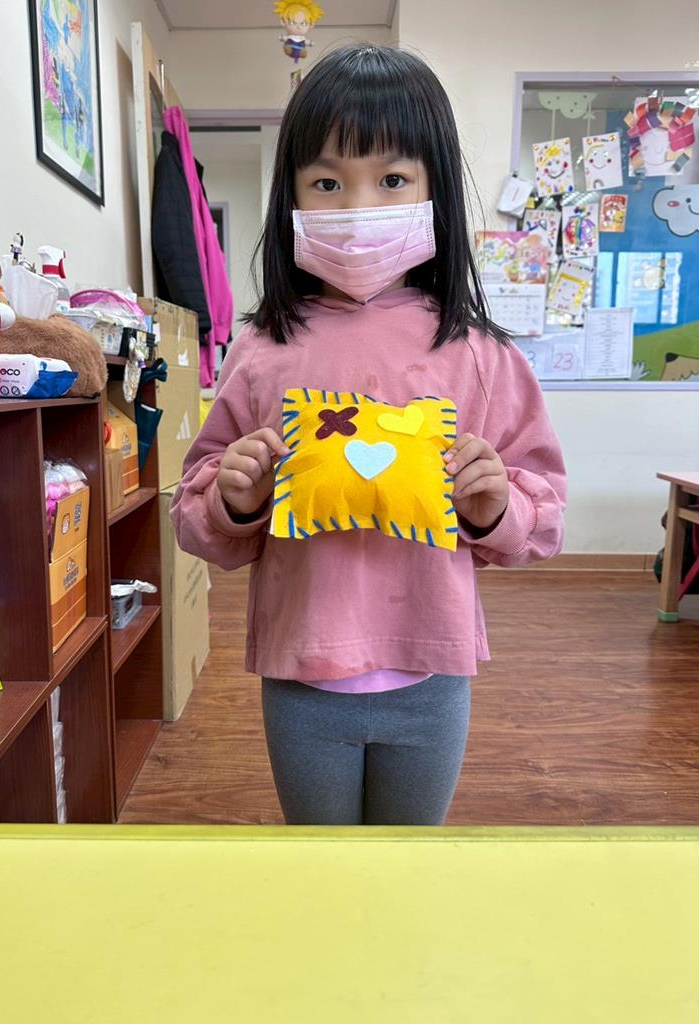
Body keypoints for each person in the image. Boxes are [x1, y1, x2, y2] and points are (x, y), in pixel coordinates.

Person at [170, 45, 567, 826]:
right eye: (326, 183)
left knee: (407, 864)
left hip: (431, 671)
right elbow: (196, 513)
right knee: (322, 866)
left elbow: (543, 514)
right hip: (302, 673)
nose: (356, 208)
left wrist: (492, 506)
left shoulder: (478, 353)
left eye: (391, 180)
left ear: (433, 189)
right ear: (289, 193)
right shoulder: (262, 348)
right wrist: (235, 496)